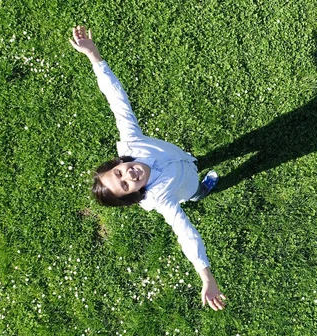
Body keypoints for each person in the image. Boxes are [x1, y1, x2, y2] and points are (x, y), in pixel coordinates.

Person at [69, 26, 226, 311]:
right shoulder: (162, 199)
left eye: (119, 172)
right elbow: (186, 233)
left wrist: (94, 55)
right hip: (184, 187)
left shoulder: (132, 142)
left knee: (192, 161)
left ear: (119, 162)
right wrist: (207, 277)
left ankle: (196, 169)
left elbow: (117, 101)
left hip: (182, 159)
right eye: (126, 186)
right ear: (135, 195)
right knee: (193, 192)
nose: (129, 175)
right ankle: (201, 192)